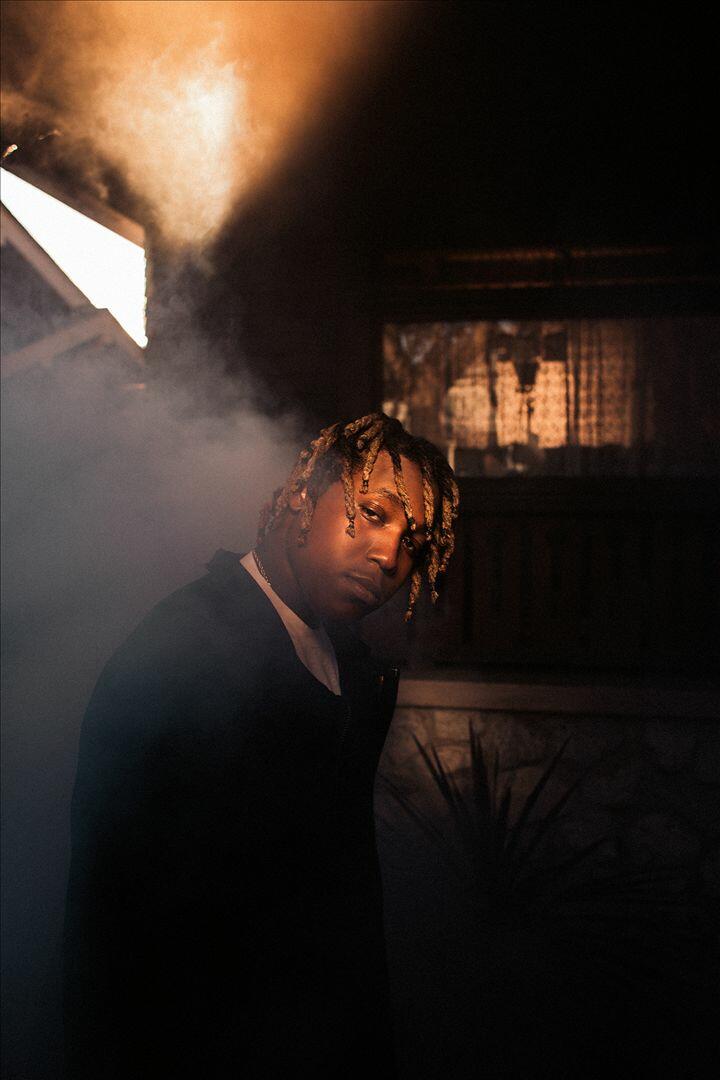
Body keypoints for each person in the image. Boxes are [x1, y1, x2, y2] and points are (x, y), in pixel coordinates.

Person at [63, 412, 459, 1080]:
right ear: (301, 497)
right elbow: (124, 919)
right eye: (372, 513)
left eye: (413, 542)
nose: (390, 556)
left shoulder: (348, 660)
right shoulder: (185, 646)